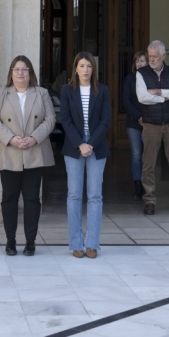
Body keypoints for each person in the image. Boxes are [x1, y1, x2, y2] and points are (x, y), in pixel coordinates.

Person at [0, 55, 55, 256]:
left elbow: (50, 119)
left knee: (32, 199)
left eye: (24, 69)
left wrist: (34, 138)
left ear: (30, 72)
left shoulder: (41, 93)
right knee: (9, 198)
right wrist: (12, 139)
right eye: (16, 69)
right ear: (11, 73)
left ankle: (30, 241)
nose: (20, 73)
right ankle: (10, 240)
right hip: (9, 152)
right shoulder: (1, 94)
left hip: (35, 152)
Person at [61, 52, 111, 257]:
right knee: (74, 195)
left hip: (96, 145)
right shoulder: (66, 91)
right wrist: (80, 143)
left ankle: (92, 243)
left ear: (93, 69)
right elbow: (65, 119)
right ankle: (75, 244)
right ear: (75, 68)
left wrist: (89, 143)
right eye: (82, 66)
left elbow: (106, 121)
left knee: (95, 196)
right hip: (74, 145)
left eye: (89, 66)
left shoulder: (103, 90)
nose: (85, 70)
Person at [136, 40, 169, 215]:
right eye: (149, 56)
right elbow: (142, 98)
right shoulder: (141, 73)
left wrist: (158, 92)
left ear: (164, 56)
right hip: (150, 124)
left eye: (155, 56)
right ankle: (149, 200)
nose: (151, 59)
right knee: (148, 163)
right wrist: (166, 96)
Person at [122, 51, 148, 199]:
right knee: (137, 155)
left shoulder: (151, 78)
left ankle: (148, 185)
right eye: (137, 61)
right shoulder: (130, 79)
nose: (139, 64)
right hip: (133, 122)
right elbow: (126, 101)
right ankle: (137, 186)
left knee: (148, 155)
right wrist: (138, 116)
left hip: (150, 122)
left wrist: (146, 117)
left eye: (142, 61)